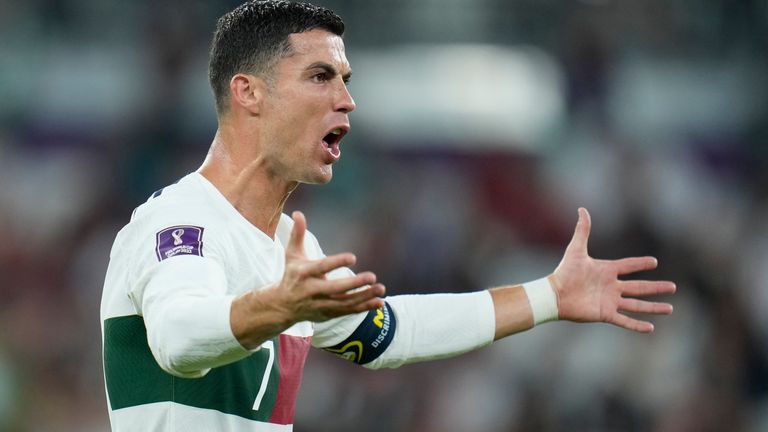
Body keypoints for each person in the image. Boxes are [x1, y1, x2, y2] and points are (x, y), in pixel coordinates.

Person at [100, 1, 676, 430]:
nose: (346, 100)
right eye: (321, 76)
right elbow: (179, 337)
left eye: (346, 81)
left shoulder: (286, 249)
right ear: (248, 93)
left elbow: (390, 334)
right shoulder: (179, 223)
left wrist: (548, 297)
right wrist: (278, 306)